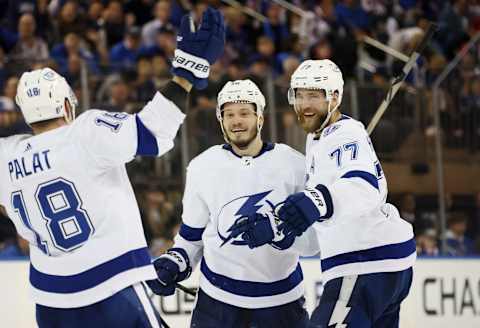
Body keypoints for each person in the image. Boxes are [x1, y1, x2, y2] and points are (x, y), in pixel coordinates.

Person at [0, 7, 224, 328]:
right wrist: (186, 74)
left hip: (50, 303)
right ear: (66, 104)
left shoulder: (6, 155)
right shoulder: (84, 132)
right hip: (111, 287)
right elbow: (154, 133)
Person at [232, 59, 416, 327]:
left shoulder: (344, 134)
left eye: (314, 96)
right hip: (379, 263)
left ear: (336, 97)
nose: (305, 104)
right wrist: (278, 230)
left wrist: (315, 201)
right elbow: (321, 228)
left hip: (365, 262)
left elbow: (363, 187)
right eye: (300, 95)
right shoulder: (319, 138)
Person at [147, 79, 319, 328]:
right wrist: (176, 262)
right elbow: (191, 238)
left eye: (244, 113)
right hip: (217, 303)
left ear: (260, 118)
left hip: (282, 305)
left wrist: (279, 233)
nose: (236, 121)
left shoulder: (294, 165)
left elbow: (314, 241)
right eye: (229, 114)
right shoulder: (202, 166)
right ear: (221, 120)